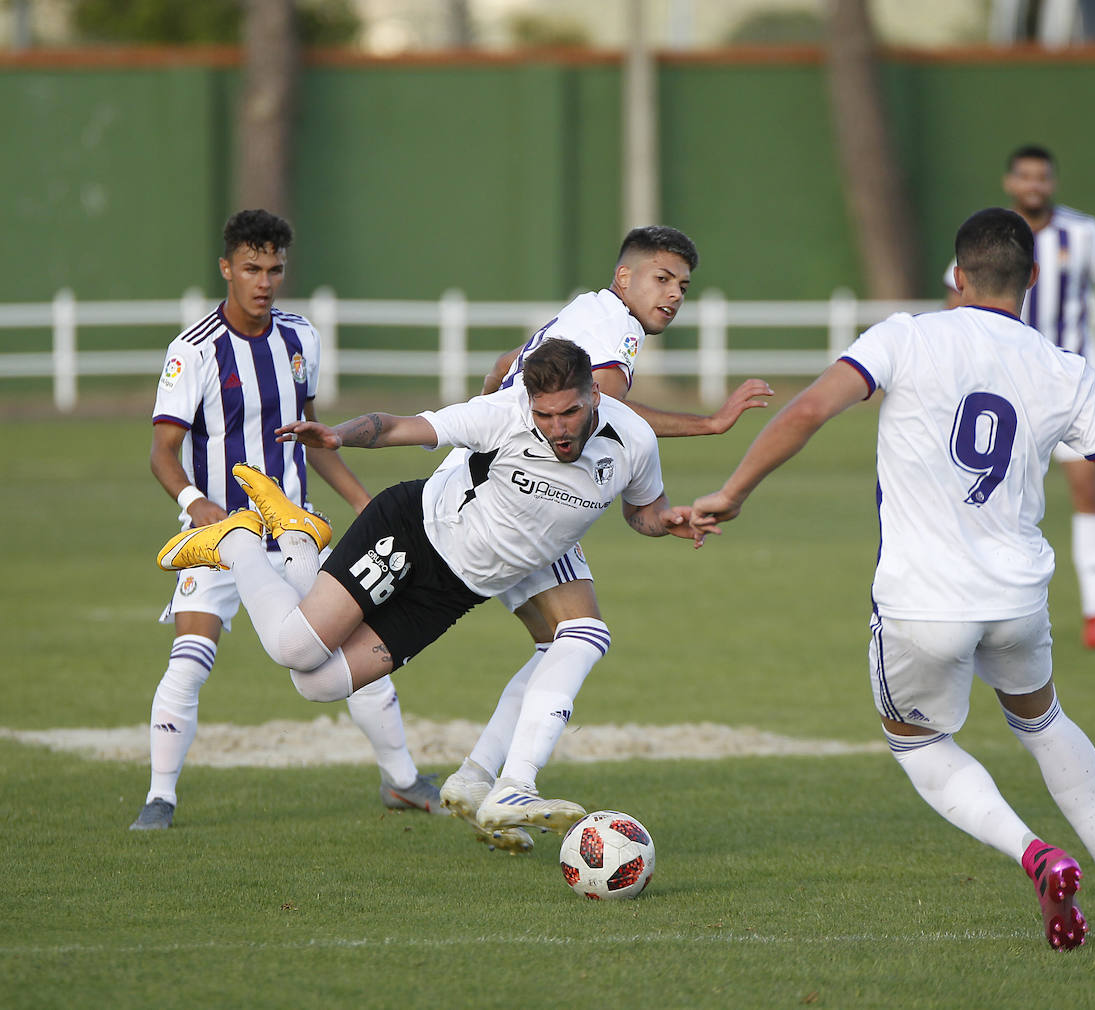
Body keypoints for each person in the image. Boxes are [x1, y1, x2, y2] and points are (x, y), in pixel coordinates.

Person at [692, 208, 1095, 949]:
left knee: (912, 739)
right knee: (1042, 721)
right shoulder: (1065, 370)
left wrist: (734, 491)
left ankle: (1035, 855)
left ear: (957, 277)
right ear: (1033, 280)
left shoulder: (906, 336)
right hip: (1016, 599)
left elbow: (809, 409)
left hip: (921, 603)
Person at [154, 338, 697, 843]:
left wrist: (665, 522)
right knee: (292, 649)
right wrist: (340, 435)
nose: (557, 428)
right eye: (545, 415)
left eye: (570, 413)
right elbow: (399, 427)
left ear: (595, 395)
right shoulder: (503, 416)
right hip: (410, 534)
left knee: (316, 685)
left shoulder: (634, 442)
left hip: (454, 594)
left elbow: (642, 511)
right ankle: (240, 543)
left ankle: (298, 539)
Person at [436, 226, 773, 851]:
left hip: (489, 486)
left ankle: (477, 779)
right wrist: (713, 423)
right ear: (626, 278)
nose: (673, 296)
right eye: (662, 279)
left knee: (555, 644)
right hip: (516, 498)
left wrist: (486, 427)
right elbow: (614, 415)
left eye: (683, 287)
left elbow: (505, 366)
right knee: (583, 634)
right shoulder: (613, 329)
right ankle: (514, 785)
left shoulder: (583, 313)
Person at [132, 209, 442, 832]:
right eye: (251, 268)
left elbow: (311, 436)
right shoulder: (192, 351)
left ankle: (403, 781)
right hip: (220, 540)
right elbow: (162, 452)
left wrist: (362, 504)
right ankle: (159, 798)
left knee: (359, 657)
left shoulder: (300, 337)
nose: (264, 281)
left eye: (274, 269)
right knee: (189, 661)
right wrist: (196, 506)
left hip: (295, 533)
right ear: (227, 268)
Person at [944, 145, 1095, 649]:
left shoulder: (1083, 232)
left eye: (1043, 176)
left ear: (1052, 182)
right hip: (1001, 389)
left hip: (1065, 386)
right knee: (987, 494)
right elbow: (955, 299)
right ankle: (976, 607)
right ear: (1010, 182)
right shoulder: (991, 236)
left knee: (1087, 485)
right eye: (1026, 176)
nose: (1035, 185)